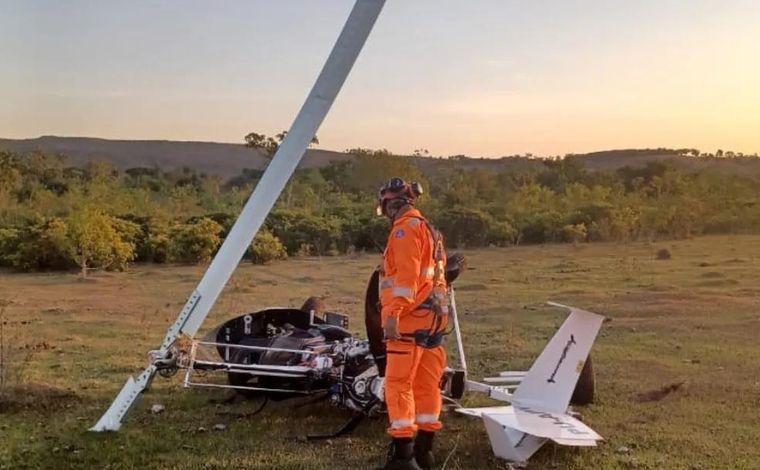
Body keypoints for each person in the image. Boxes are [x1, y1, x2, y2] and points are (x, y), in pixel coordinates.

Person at [376, 177, 449, 470]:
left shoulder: (404, 230)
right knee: (427, 385)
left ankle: (403, 458)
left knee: (398, 384)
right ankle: (425, 452)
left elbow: (407, 279)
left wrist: (394, 313)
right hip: (433, 319)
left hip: (409, 319)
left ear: (391, 204)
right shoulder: (430, 229)